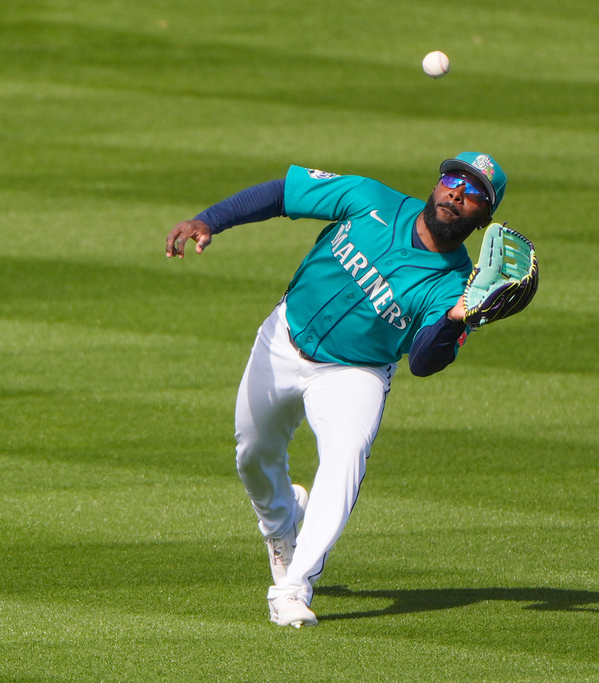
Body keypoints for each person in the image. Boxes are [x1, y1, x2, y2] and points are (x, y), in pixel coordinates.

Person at [165, 152, 507, 627]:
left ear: (482, 219)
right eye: (453, 180)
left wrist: (456, 317)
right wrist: (209, 221)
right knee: (252, 455)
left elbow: (426, 362)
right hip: (285, 336)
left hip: (355, 374)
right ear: (437, 184)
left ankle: (292, 586)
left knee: (343, 462)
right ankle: (281, 525)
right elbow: (283, 194)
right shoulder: (369, 199)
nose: (457, 193)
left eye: (473, 193)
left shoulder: (454, 287)